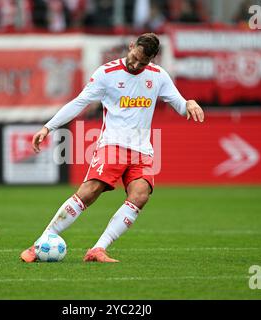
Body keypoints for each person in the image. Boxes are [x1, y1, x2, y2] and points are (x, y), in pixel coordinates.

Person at [20, 33, 205, 263]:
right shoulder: (107, 73)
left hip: (142, 150)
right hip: (112, 145)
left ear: (152, 60)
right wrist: (48, 127)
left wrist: (189, 102)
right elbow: (79, 102)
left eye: (143, 62)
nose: (136, 64)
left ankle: (98, 249)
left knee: (140, 195)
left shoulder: (158, 76)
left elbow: (179, 105)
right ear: (131, 46)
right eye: (135, 57)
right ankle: (39, 243)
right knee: (89, 192)